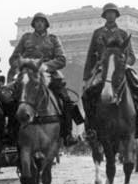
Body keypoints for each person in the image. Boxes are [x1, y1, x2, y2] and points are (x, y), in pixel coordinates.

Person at [7, 12, 84, 145]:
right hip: (27, 75)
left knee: (66, 100)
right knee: (9, 98)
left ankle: (67, 133)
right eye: (37, 21)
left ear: (46, 24)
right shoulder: (26, 38)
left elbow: (62, 59)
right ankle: (11, 132)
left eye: (42, 22)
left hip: (49, 76)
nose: (39, 24)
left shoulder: (53, 39)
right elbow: (13, 58)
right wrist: (25, 65)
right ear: (33, 24)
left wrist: (43, 66)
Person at [81, 3, 138, 138]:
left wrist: (123, 64)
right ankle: (90, 127)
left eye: (112, 13)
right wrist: (86, 76)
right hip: (102, 70)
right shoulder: (97, 33)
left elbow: (132, 57)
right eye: (108, 13)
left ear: (116, 15)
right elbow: (90, 55)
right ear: (104, 15)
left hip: (121, 69)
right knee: (86, 94)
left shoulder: (123, 34)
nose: (110, 15)